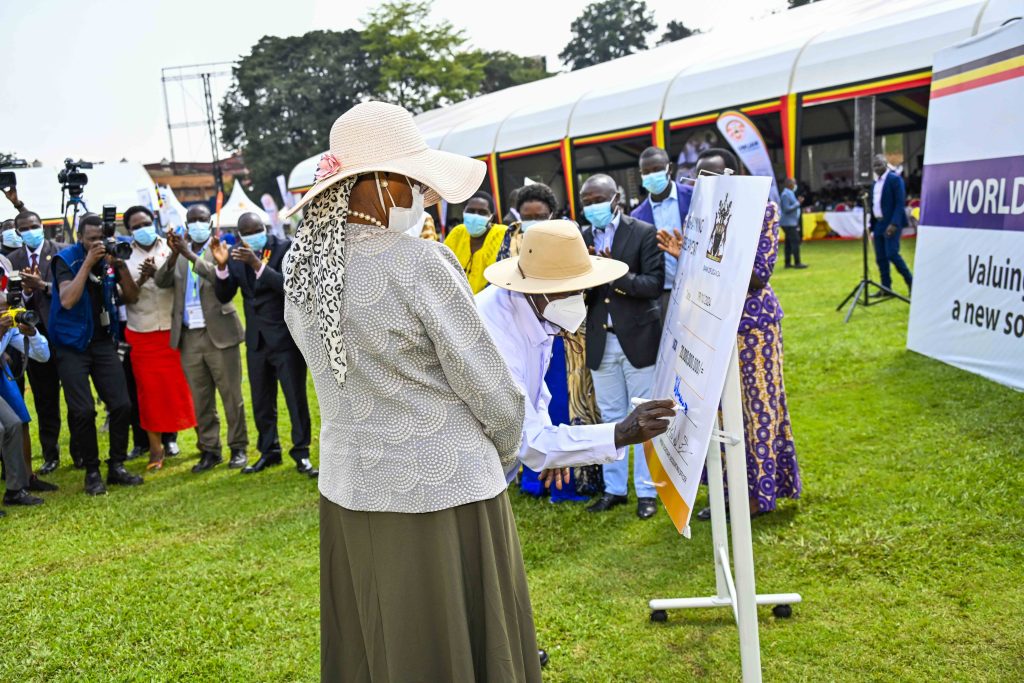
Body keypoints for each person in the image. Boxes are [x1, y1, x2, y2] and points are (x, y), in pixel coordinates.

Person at [282, 101, 541, 681]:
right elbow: (490, 386)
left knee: (379, 635)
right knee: (449, 639)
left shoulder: (303, 268)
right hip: (446, 488)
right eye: (414, 181)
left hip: (352, 482)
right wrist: (503, 448)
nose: (424, 195)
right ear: (373, 185)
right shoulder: (419, 261)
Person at [478, 219, 675, 491]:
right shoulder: (494, 332)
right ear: (540, 286)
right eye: (572, 290)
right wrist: (621, 433)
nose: (579, 297)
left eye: (583, 290)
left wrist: (553, 449)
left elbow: (533, 394)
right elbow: (527, 438)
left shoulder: (535, 308)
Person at [658, 147, 801, 519]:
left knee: (758, 407)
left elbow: (758, 277)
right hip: (712, 325)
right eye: (702, 178)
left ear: (734, 176)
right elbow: (703, 270)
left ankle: (758, 495)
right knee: (717, 413)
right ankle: (726, 493)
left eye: (717, 177)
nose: (710, 185)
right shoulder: (701, 215)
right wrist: (683, 255)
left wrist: (717, 246)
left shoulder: (763, 212)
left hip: (753, 327)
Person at [578, 174, 665, 519]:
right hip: (601, 341)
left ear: (616, 198)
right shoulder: (581, 238)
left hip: (638, 339)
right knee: (611, 417)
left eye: (598, 199)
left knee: (643, 416)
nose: (592, 206)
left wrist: (613, 273)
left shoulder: (642, 232)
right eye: (586, 201)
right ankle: (615, 489)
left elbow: (654, 285)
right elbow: (578, 294)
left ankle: (647, 491)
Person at [212, 211, 316, 477]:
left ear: (265, 229)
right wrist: (222, 268)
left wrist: (258, 265)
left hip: (285, 339)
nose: (254, 236)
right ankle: (269, 451)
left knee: (295, 398)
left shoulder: (285, 248)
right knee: (261, 401)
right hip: (256, 341)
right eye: (248, 234)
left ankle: (301, 453)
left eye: (258, 230)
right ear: (240, 237)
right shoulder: (235, 256)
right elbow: (225, 296)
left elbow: (290, 287)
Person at [49, 213, 144, 495]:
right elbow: (67, 299)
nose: (98, 244)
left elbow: (131, 297)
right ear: (80, 238)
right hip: (71, 344)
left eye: (101, 240)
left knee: (122, 404)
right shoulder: (66, 260)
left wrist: (121, 267)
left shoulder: (110, 259)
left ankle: (116, 465)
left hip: (102, 341)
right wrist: (89, 261)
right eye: (92, 240)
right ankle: (92, 471)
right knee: (83, 410)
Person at [154, 204, 249, 473]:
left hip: (219, 331)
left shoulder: (219, 248)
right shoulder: (180, 253)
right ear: (186, 223)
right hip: (189, 336)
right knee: (201, 398)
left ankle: (238, 447)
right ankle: (209, 449)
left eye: (202, 219)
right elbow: (161, 281)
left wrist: (189, 255)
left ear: (209, 223)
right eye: (192, 220)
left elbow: (220, 278)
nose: (197, 224)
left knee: (232, 395)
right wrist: (175, 254)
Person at [122, 206, 196, 471]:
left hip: (173, 329)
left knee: (186, 389)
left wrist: (171, 259)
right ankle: (156, 448)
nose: (142, 228)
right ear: (129, 230)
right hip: (142, 332)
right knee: (149, 394)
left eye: (145, 222)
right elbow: (125, 296)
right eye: (135, 226)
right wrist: (142, 277)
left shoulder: (171, 247)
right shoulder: (124, 256)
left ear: (153, 222)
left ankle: (203, 442)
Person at [9, 210, 79, 473]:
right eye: (24, 228)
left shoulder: (63, 251)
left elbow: (70, 290)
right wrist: (25, 294)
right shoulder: (12, 260)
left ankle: (79, 452)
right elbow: (11, 300)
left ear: (42, 226)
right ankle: (51, 455)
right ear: (18, 233)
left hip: (64, 335)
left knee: (75, 397)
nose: (30, 231)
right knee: (45, 399)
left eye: (34, 226)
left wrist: (42, 285)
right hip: (33, 338)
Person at [0, 297, 52, 509]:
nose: (7, 316)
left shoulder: (10, 328)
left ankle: (15, 490)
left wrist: (32, 333)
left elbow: (43, 355)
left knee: (13, 424)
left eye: (8, 311)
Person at [632, 146, 693, 318]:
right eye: (647, 172)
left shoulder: (694, 197)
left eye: (657, 169)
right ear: (641, 174)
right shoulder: (637, 217)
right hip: (661, 293)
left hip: (696, 286)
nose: (652, 175)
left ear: (669, 169)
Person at [443, 191, 507, 294]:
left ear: (491, 216)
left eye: (482, 212)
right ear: (464, 212)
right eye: (471, 211)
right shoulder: (457, 233)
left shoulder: (502, 234)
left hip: (488, 302)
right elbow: (442, 267)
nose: (475, 216)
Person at [871, 154, 912, 295]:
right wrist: (872, 226)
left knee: (892, 254)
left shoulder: (894, 179)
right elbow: (873, 205)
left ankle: (911, 282)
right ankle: (886, 287)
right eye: (875, 165)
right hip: (878, 223)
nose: (877, 168)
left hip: (891, 223)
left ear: (886, 164)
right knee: (881, 258)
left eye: (880, 164)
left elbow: (900, 203)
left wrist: (894, 223)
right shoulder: (875, 184)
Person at [496, 182, 559, 261]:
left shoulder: (566, 234)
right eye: (526, 217)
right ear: (519, 215)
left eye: (540, 217)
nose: (533, 221)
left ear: (551, 214)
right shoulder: (512, 233)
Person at [780, 178, 807, 269]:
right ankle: (797, 262)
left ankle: (787, 263)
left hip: (790, 222)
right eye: (794, 183)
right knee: (795, 242)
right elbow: (786, 209)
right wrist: (798, 203)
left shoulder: (789, 193)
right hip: (788, 223)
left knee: (788, 243)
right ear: (790, 184)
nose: (795, 185)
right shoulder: (785, 194)